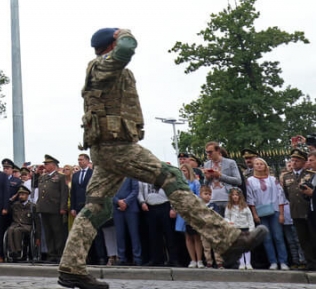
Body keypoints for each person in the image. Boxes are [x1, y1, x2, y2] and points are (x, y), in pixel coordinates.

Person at [56, 28, 266, 289]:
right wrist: (125, 33)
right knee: (172, 177)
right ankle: (227, 239)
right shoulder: (103, 66)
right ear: (110, 44)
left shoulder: (100, 70)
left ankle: (71, 267)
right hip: (117, 147)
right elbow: (125, 50)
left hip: (105, 149)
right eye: (115, 40)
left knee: (97, 206)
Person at [246, 157, 289, 270]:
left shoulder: (273, 179)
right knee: (267, 238)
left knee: (278, 236)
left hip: (274, 210)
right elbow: (250, 199)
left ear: (265, 166)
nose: (259, 166)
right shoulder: (250, 181)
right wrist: (254, 214)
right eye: (257, 164)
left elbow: (280, 196)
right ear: (254, 166)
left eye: (262, 164)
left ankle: (283, 261)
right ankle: (273, 261)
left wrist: (281, 213)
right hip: (261, 212)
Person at [281, 148, 316, 269]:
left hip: (309, 210)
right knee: (303, 239)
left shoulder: (310, 175)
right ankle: (310, 262)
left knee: (313, 237)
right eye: (292, 160)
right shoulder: (286, 177)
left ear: (303, 162)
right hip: (296, 212)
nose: (294, 163)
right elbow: (287, 194)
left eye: (297, 160)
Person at [35, 154, 68, 264]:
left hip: (55, 208)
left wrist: (63, 207)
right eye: (45, 164)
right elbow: (35, 186)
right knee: (48, 232)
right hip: (44, 208)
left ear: (53, 165)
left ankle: (59, 254)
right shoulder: (43, 177)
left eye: (47, 164)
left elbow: (64, 192)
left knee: (57, 232)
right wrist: (36, 173)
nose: (45, 166)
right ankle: (51, 254)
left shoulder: (60, 177)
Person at [202, 141, 243, 216]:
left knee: (230, 223)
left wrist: (220, 176)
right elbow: (205, 184)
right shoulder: (207, 164)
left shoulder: (230, 162)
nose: (208, 154)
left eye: (210, 152)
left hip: (228, 198)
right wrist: (207, 178)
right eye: (207, 152)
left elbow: (238, 180)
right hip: (213, 199)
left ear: (217, 151)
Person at [175, 164, 203, 268]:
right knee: (187, 236)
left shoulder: (195, 182)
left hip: (193, 211)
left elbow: (199, 196)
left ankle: (200, 259)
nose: (183, 173)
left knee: (196, 236)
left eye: (185, 170)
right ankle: (193, 260)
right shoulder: (178, 183)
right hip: (183, 211)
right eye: (181, 171)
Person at [112, 177, 140, 266]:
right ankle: (121, 258)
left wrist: (126, 202)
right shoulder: (113, 175)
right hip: (117, 209)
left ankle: (137, 258)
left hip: (131, 208)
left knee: (134, 234)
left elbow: (135, 190)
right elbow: (109, 192)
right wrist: (118, 201)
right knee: (120, 234)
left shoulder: (131, 175)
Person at [224, 188, 254, 269]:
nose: (235, 197)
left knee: (247, 246)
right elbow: (226, 217)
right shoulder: (229, 207)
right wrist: (229, 222)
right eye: (233, 195)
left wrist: (251, 229)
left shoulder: (245, 206)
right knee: (239, 247)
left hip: (245, 228)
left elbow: (250, 218)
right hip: (236, 229)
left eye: (236, 195)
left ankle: (248, 263)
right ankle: (241, 263)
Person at [6, 185, 34, 261]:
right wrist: (11, 199)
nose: (21, 196)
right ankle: (13, 251)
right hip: (16, 224)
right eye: (20, 195)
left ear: (27, 195)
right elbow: (7, 209)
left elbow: (36, 220)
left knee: (17, 230)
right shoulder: (15, 205)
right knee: (10, 229)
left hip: (26, 226)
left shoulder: (32, 206)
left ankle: (19, 250)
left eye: (23, 195)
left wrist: (37, 234)